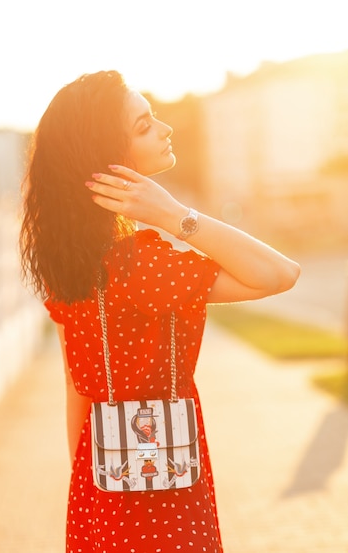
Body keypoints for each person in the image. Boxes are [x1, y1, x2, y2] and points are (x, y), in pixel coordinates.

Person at [19, 70, 300, 553]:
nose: (166, 129)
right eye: (145, 125)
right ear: (112, 161)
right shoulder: (139, 263)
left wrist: (87, 491)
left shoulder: (71, 260)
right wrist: (173, 214)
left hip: (98, 481)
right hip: (164, 487)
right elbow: (278, 273)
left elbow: (76, 385)